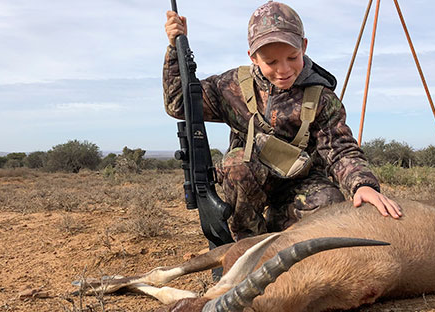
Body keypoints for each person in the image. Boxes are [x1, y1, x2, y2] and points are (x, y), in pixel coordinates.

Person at [163, 1, 401, 240]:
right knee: (236, 165)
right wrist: (175, 49)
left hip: (300, 183)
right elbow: (178, 105)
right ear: (253, 57)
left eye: (292, 57)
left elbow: (340, 150)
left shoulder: (322, 97)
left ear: (304, 46)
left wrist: (363, 185)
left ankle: (283, 229)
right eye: (271, 62)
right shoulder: (229, 86)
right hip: (250, 184)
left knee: (330, 203)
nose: (283, 69)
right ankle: (246, 245)